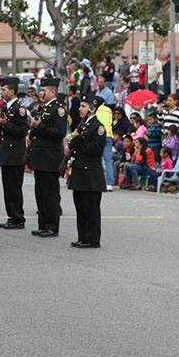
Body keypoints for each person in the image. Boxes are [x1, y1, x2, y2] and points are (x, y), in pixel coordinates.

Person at [28, 78, 68, 238]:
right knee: (41, 192)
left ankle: (52, 226)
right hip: (40, 156)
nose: (41, 93)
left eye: (44, 90)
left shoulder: (58, 109)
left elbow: (59, 133)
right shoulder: (43, 108)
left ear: (52, 92)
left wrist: (40, 127)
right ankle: (43, 224)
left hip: (50, 156)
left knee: (50, 193)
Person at [67, 93, 106, 248]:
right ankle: (82, 236)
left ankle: (92, 239)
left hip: (90, 174)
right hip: (79, 172)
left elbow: (95, 150)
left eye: (84, 106)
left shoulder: (98, 127)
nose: (79, 109)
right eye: (80, 105)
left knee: (91, 209)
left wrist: (79, 138)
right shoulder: (82, 126)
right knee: (81, 208)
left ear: (93, 109)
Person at [0, 76, 29, 229]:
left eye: (4, 89)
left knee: (14, 187)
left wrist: (6, 124)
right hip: (6, 152)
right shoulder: (6, 107)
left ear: (12, 91)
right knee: (7, 187)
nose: (1, 92)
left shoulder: (19, 108)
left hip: (15, 153)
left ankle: (18, 217)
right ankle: (12, 216)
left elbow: (22, 130)